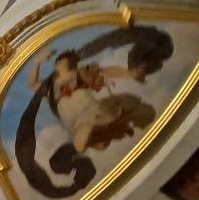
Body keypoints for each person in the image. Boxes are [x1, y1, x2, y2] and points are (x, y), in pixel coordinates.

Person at [28, 47, 156, 153]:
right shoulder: (51, 87)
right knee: (81, 143)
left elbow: (107, 71)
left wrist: (129, 73)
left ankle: (112, 128)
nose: (60, 64)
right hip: (73, 120)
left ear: (68, 61)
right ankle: (105, 134)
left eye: (63, 61)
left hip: (88, 111)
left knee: (91, 130)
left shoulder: (79, 73)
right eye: (59, 62)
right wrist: (37, 61)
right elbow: (33, 84)